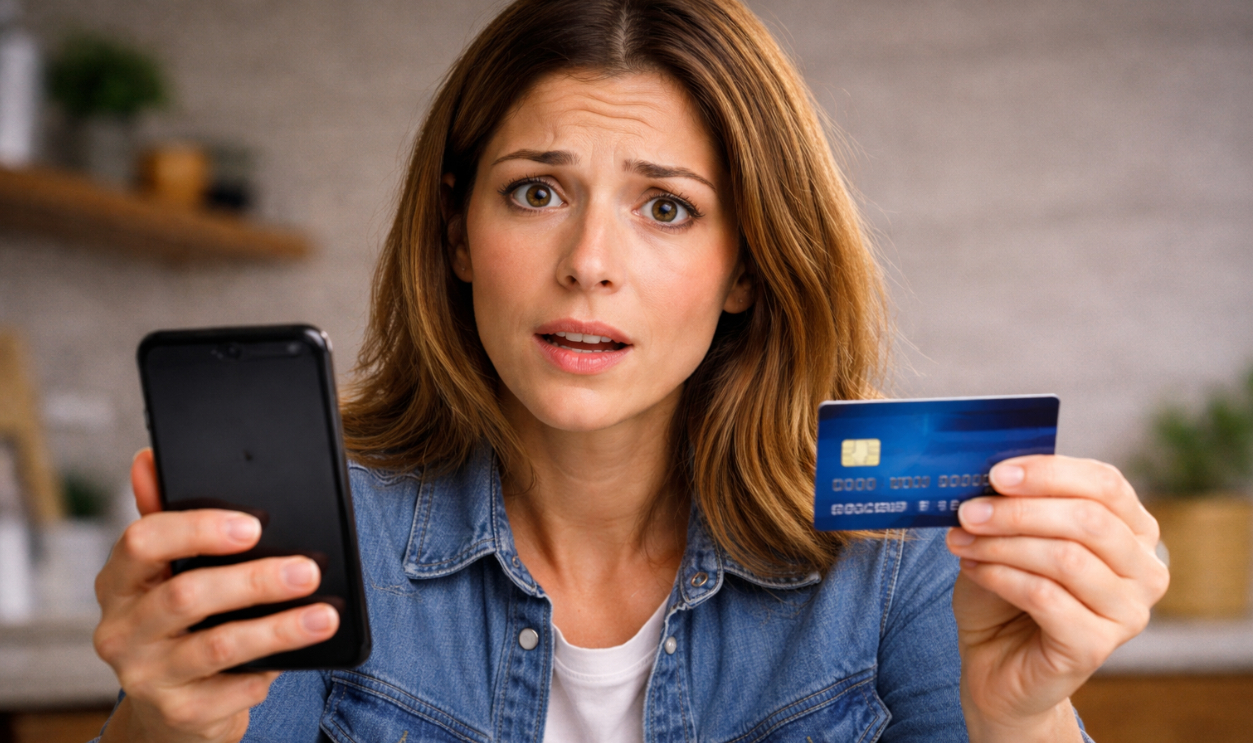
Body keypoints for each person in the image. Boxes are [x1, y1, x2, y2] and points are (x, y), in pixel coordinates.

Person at [89, 1, 1169, 741]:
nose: (588, 264)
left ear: (744, 265)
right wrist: (162, 724)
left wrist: (1022, 717)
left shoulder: (895, 552)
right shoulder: (327, 532)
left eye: (666, 207)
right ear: (458, 234)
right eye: (534, 192)